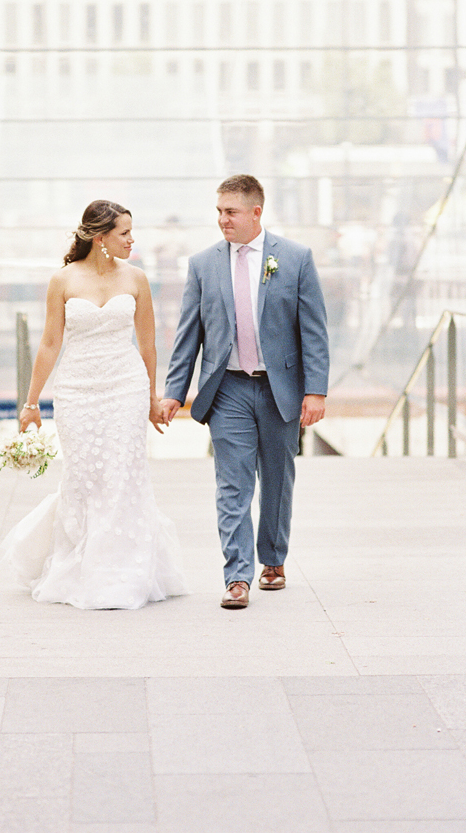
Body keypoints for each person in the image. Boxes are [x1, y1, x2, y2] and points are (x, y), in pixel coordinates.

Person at [3, 199, 187, 610]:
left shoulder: (137, 279)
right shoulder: (63, 280)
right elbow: (51, 343)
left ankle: (124, 571)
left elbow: (148, 344)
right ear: (100, 238)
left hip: (126, 387)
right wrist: (30, 403)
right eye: (124, 233)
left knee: (122, 473)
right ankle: (81, 563)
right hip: (77, 391)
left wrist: (152, 398)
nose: (132, 240)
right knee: (86, 476)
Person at [161, 175, 329, 610]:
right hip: (228, 389)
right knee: (232, 484)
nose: (223, 220)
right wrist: (174, 392)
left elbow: (313, 332)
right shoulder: (202, 264)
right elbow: (188, 336)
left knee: (276, 479)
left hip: (281, 390)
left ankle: (273, 559)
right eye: (219, 211)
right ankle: (238, 576)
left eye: (230, 211)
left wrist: (316, 391)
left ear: (256, 212)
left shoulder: (294, 259)